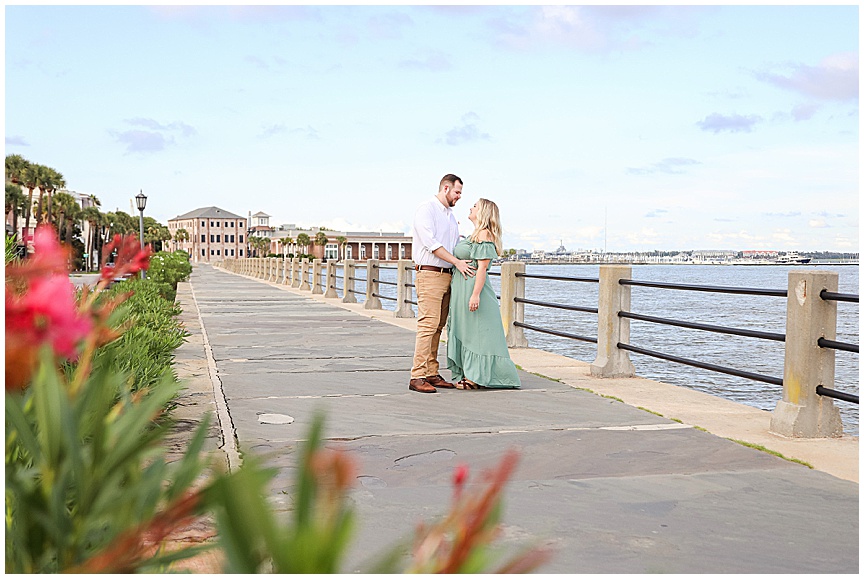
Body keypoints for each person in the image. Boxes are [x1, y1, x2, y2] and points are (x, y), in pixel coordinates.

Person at [409, 174, 475, 394]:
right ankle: (417, 376)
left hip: (448, 275)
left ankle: (431, 372)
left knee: (438, 327)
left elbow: (455, 244)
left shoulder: (450, 215)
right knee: (427, 326)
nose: (459, 197)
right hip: (429, 275)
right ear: (446, 188)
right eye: (457, 192)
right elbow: (431, 243)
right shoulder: (426, 209)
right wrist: (457, 261)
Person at [446, 198, 520, 389]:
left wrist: (475, 294)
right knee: (468, 333)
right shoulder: (474, 234)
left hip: (474, 291)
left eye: (475, 206)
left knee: (478, 335)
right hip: (463, 290)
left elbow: (482, 268)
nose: (471, 207)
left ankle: (475, 378)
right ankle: (470, 373)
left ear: (483, 212)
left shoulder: (485, 234)